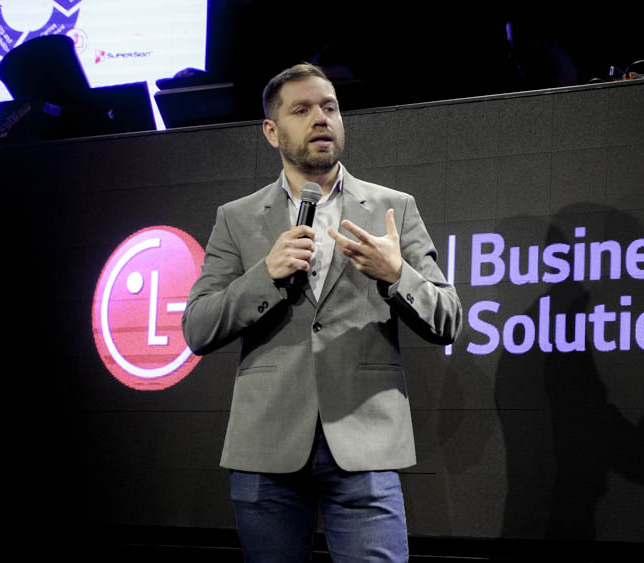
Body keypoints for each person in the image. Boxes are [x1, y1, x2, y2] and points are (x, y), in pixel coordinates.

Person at [182, 63, 462, 562]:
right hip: (266, 447)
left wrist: (396, 274)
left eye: (329, 108)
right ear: (272, 131)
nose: (321, 119)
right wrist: (264, 275)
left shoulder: (393, 207)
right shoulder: (238, 217)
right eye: (302, 109)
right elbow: (198, 327)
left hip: (365, 447)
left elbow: (449, 318)